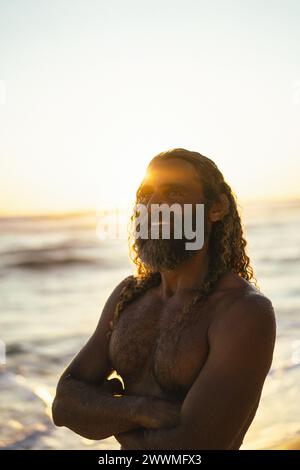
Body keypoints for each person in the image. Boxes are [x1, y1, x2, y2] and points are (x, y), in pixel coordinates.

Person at [52, 148, 276, 450]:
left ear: (216, 208)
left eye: (174, 193)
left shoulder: (242, 312)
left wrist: (103, 413)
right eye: (145, 196)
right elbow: (64, 404)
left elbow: (191, 447)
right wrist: (140, 410)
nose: (155, 206)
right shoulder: (129, 295)